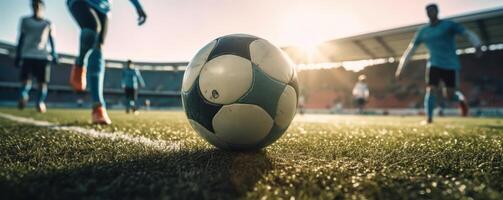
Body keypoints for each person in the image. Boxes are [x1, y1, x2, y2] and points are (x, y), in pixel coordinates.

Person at [395, 4, 482, 124]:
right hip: (434, 64)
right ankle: (429, 119)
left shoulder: (449, 25)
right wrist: (401, 68)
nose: (430, 13)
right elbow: (411, 50)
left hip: (450, 65)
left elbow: (467, 33)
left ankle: (461, 99)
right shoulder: (423, 31)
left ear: (437, 11)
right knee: (431, 89)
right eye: (428, 11)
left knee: (450, 96)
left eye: (432, 10)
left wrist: (477, 44)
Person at [67, 0, 147, 124]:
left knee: (98, 50)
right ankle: (80, 62)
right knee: (92, 29)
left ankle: (98, 107)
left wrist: (138, 6)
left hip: (103, 6)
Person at [15, 0, 58, 113]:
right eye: (34, 6)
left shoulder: (47, 23)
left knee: (42, 83)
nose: (36, 8)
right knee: (25, 80)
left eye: (38, 6)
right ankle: (23, 96)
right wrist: (18, 54)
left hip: (43, 56)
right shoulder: (25, 21)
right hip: (27, 54)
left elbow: (51, 39)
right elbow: (21, 37)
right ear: (32, 7)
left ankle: (39, 102)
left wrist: (54, 53)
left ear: (42, 8)